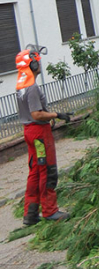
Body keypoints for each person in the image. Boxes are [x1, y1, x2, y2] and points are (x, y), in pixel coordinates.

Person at [15, 47, 71, 225]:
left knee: (35, 172)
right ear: (31, 64)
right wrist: (56, 115)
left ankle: (30, 214)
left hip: (30, 132)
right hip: (39, 134)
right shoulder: (31, 88)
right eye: (37, 61)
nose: (39, 63)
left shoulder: (22, 86)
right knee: (47, 170)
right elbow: (37, 114)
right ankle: (50, 211)